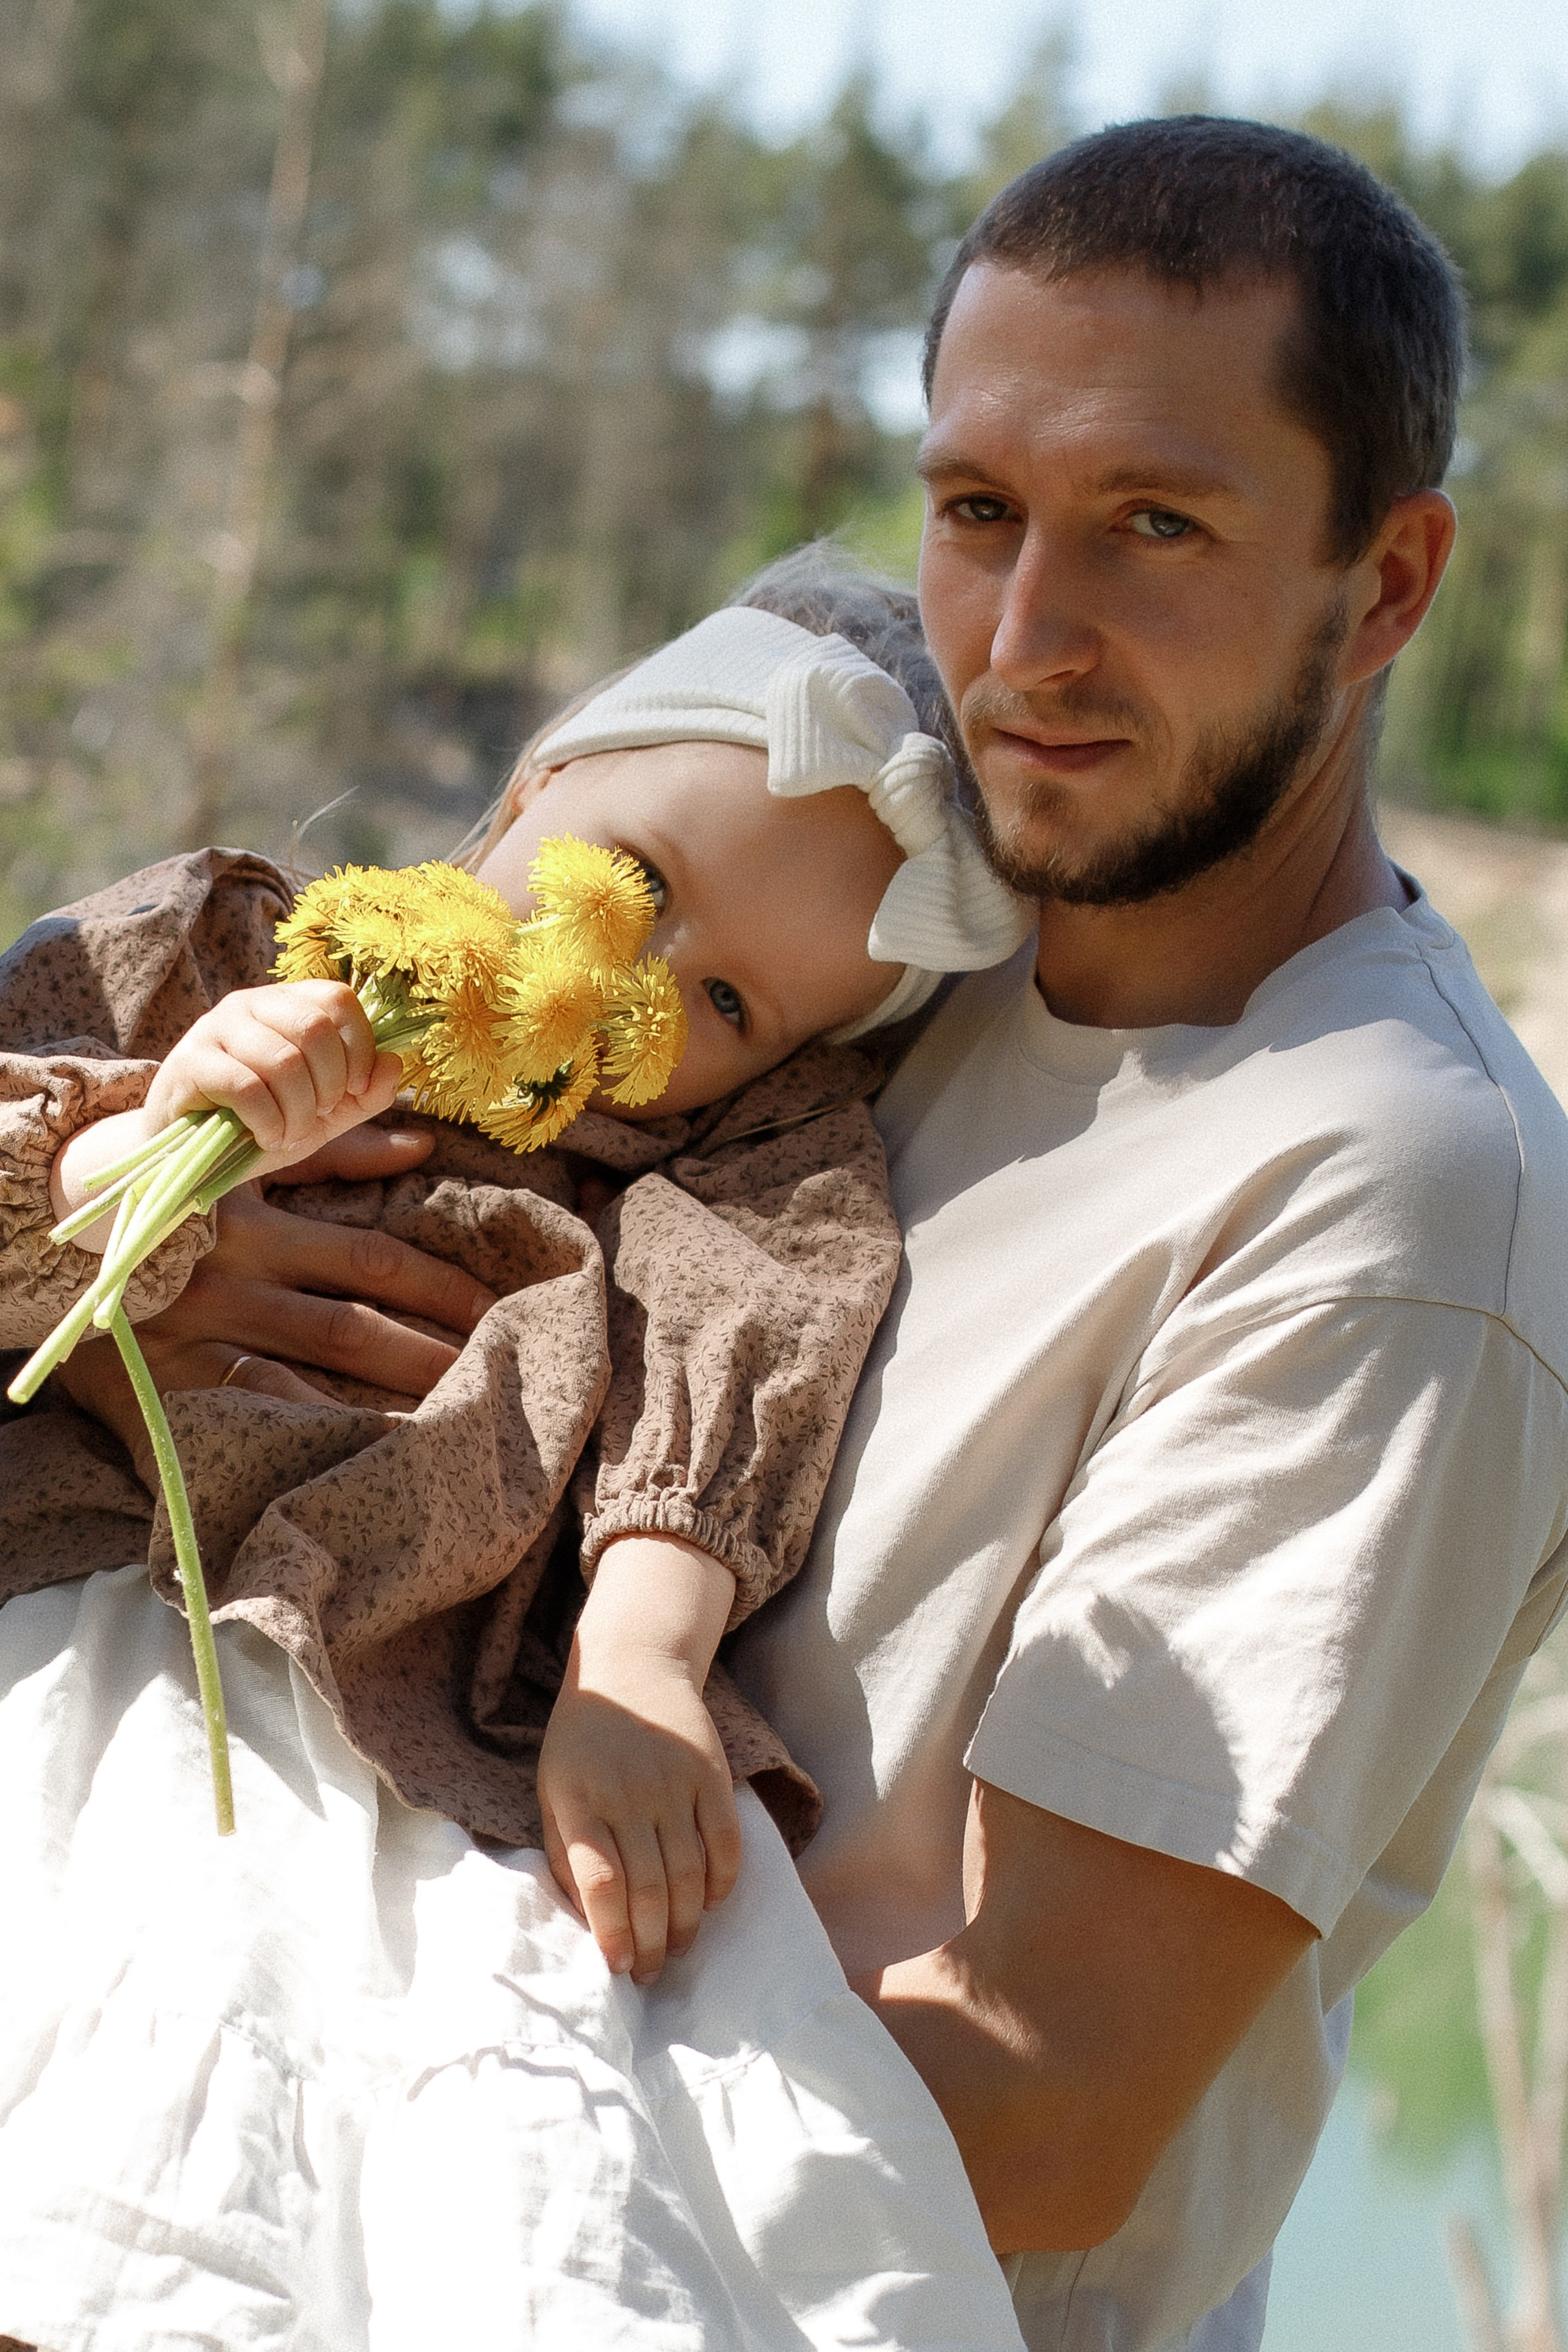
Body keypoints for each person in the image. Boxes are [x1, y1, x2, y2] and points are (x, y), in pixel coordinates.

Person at [724, 117, 1568, 2351]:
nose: (1022, 640)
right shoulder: (894, 950)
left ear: (1384, 587)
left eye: (1154, 527)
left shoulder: (1388, 1188)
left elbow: (1031, 2108)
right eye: (976, 509)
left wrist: (299, 2031)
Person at [0, 584, 1033, 2351]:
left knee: (414, 2089)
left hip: (411, 1689)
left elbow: (736, 1369)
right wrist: (153, 1133)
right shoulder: (232, 955)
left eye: (719, 995)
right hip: (101, 1565)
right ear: (530, 789)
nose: (620, 978)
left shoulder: (707, 1168)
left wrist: (638, 1650)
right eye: (622, 878)